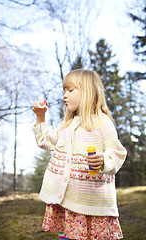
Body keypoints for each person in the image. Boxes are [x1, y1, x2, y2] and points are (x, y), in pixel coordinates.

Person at [32, 69, 127, 240]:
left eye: (70, 90)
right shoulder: (66, 125)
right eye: (64, 91)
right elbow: (45, 141)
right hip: (68, 203)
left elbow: (117, 152)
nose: (65, 96)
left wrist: (105, 160)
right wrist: (40, 117)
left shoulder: (101, 122)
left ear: (87, 92)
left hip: (92, 203)